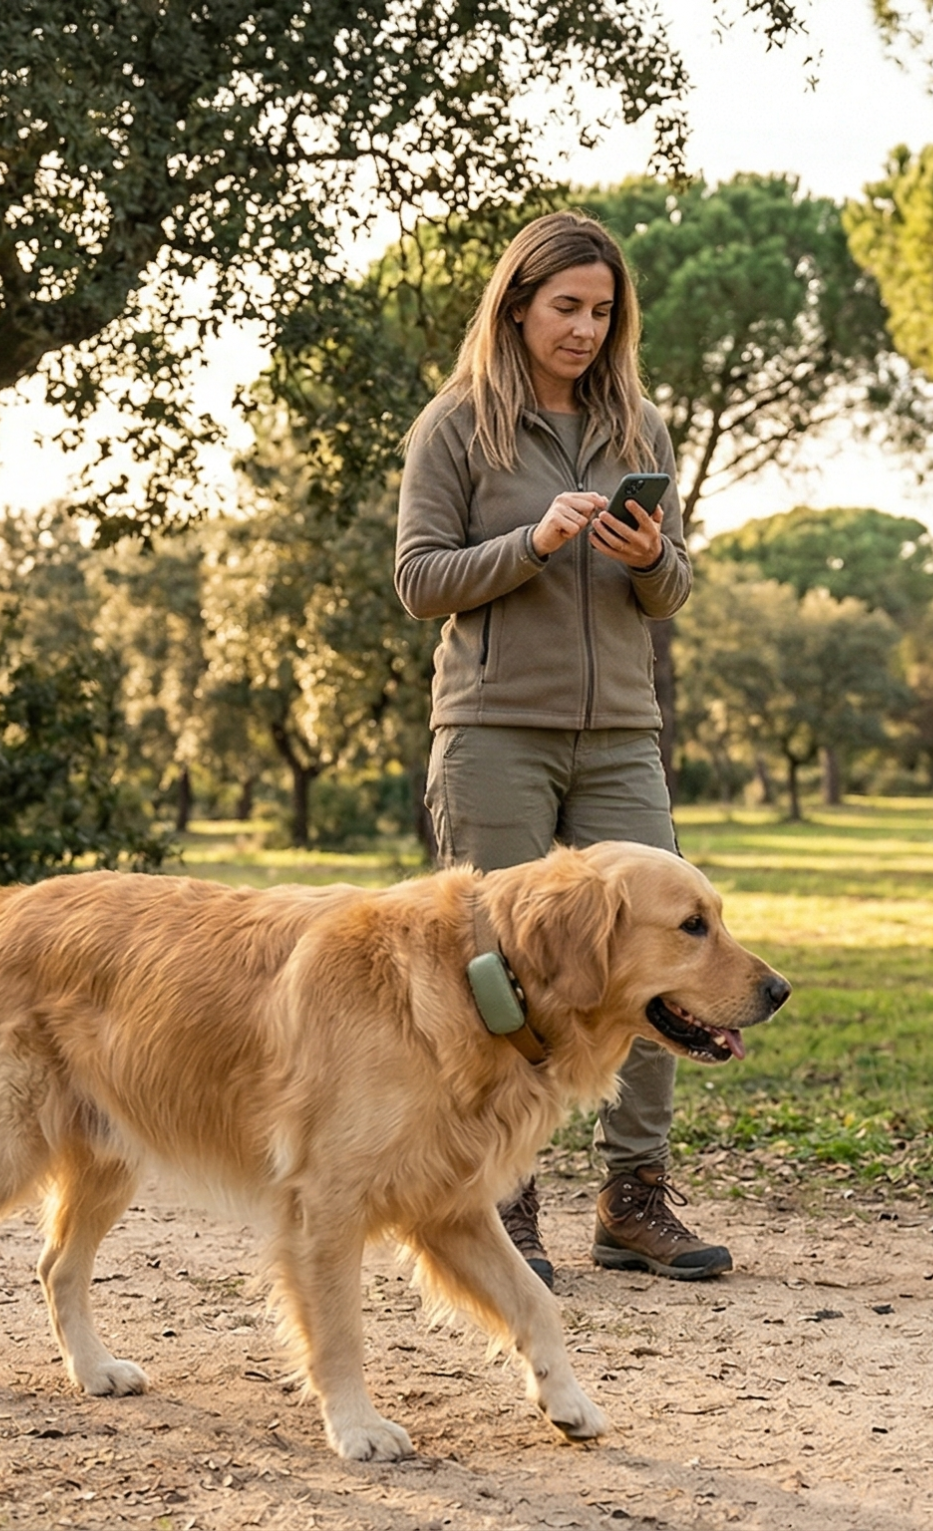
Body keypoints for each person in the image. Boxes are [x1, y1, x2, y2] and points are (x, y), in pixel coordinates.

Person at [392, 209, 726, 1288]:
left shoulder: (640, 425)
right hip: (493, 731)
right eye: (566, 307)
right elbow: (418, 580)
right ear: (517, 306)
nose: (585, 329)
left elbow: (672, 589)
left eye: (603, 311)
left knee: (665, 955)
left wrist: (649, 557)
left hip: (622, 732)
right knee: (492, 970)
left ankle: (634, 1198)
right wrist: (531, 543)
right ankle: (504, 1203)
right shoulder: (455, 426)